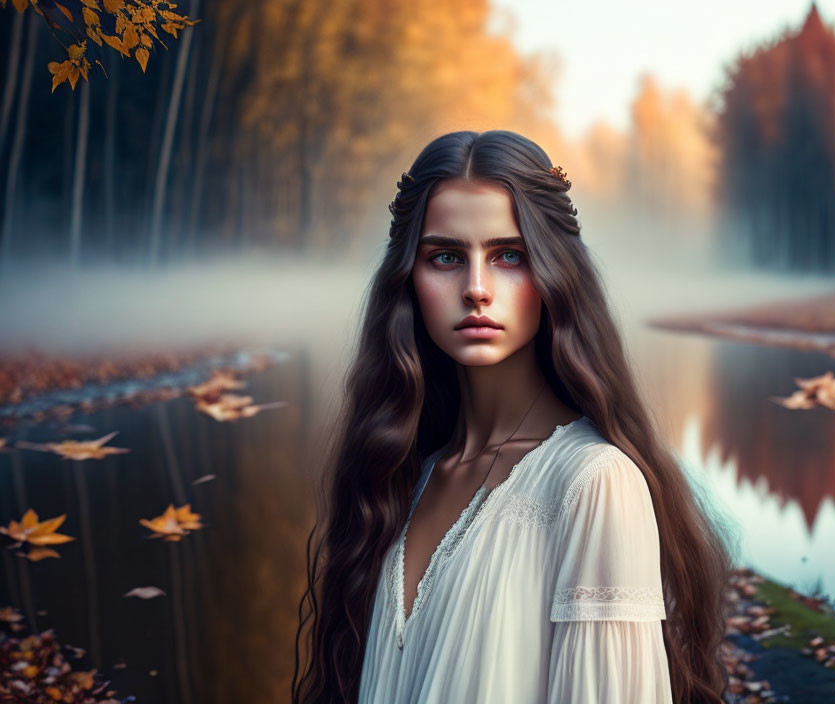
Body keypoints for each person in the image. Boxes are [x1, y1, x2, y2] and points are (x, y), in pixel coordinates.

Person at [292, 130, 734, 703]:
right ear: (409, 280)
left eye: (509, 256)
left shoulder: (593, 484)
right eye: (446, 257)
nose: (476, 289)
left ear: (554, 275)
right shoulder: (404, 477)